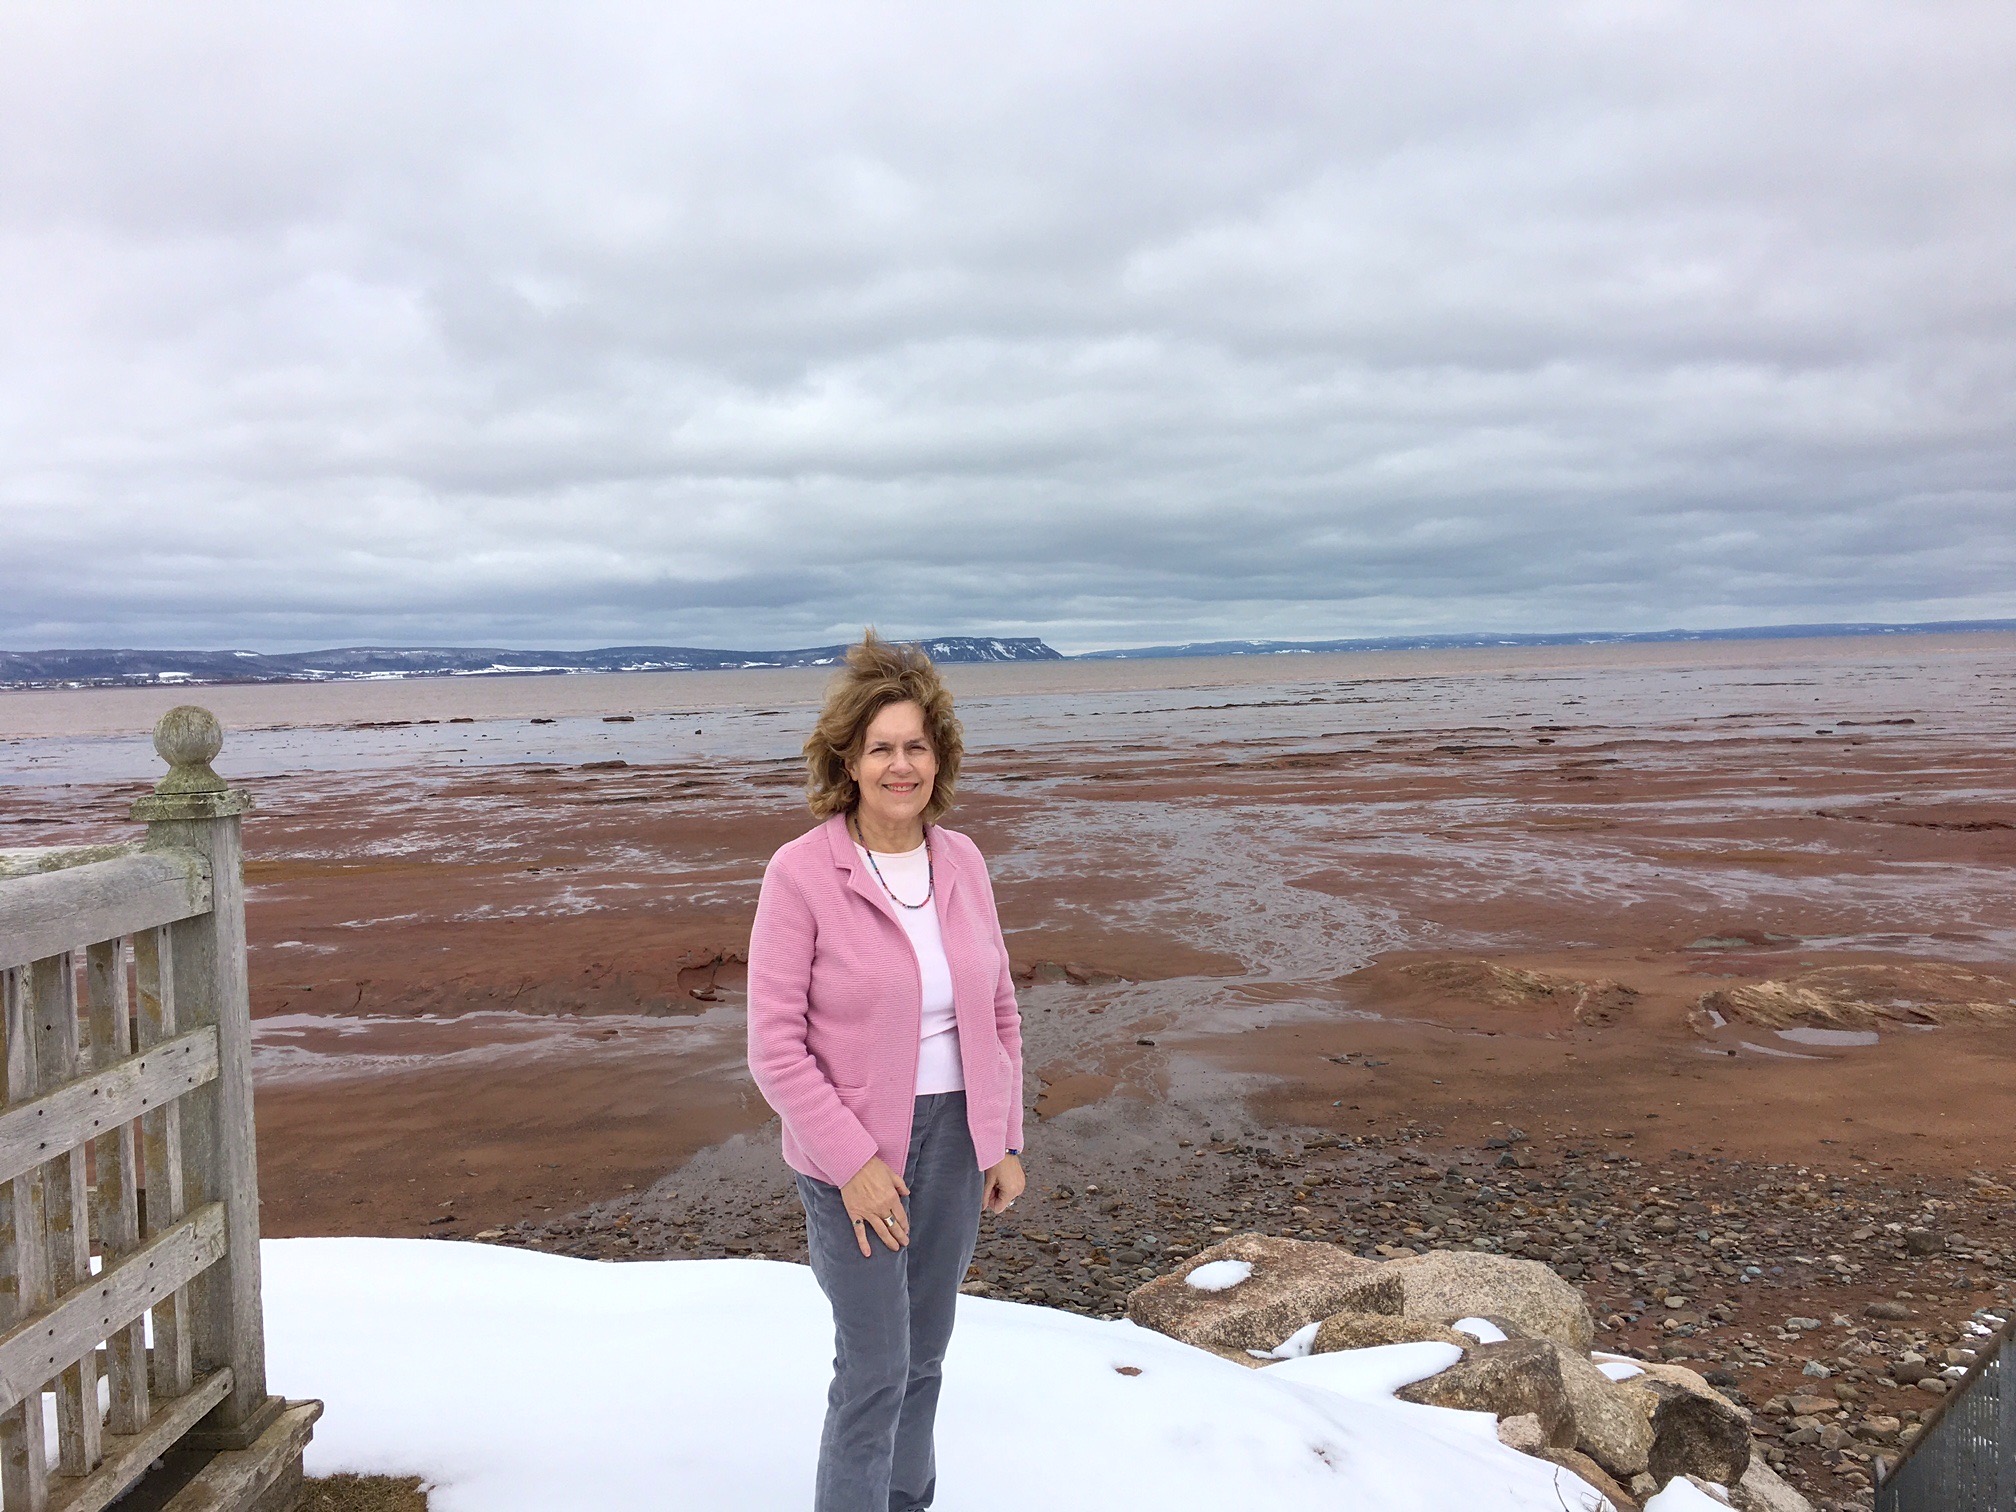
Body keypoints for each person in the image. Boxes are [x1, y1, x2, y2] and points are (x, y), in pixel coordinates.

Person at [747, 631, 1027, 1512]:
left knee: (928, 1353)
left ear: (937, 758)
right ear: (848, 762)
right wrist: (855, 1166)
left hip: (955, 1142)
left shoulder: (964, 861)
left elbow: (1001, 1014)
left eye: (915, 746)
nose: (899, 765)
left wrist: (1004, 1139)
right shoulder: (802, 874)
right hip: (852, 1151)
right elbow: (774, 1047)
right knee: (874, 1368)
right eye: (880, 748)